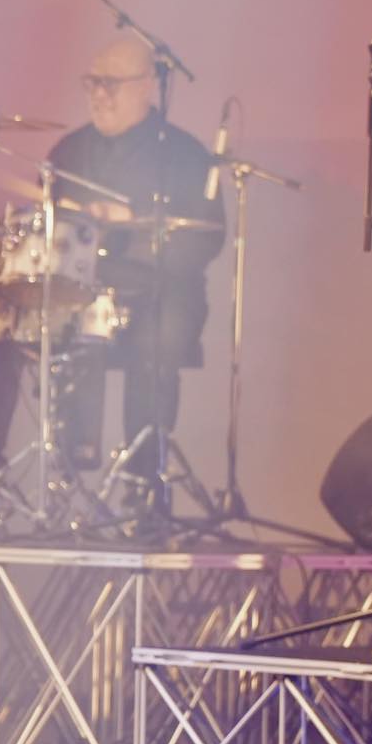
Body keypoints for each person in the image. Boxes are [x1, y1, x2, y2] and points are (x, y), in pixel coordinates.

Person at [46, 35, 225, 480]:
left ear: (148, 85)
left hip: (161, 290)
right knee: (34, 332)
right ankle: (64, 477)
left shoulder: (184, 154)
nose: (99, 94)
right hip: (81, 289)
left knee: (155, 342)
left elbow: (206, 238)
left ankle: (144, 482)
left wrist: (134, 222)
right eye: (92, 83)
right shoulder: (67, 152)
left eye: (111, 83)